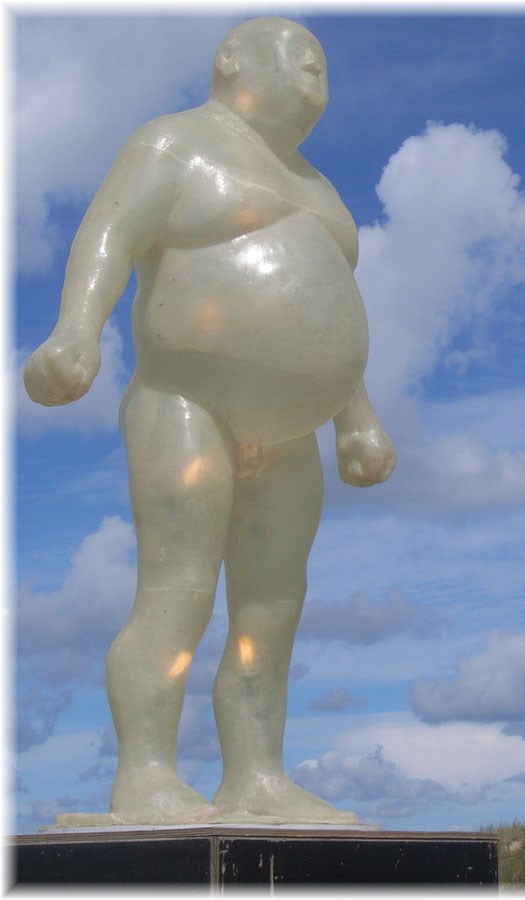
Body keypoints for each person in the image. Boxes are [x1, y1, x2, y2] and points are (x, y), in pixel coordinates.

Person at [23, 17, 396, 825]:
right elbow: (109, 235)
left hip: (294, 431)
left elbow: (334, 312)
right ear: (232, 60)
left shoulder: (322, 191)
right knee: (179, 589)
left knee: (271, 609)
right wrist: (75, 329)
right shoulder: (174, 144)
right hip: (184, 404)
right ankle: (146, 774)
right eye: (302, 63)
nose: (315, 84)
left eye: (323, 70)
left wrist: (355, 417)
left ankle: (257, 774)